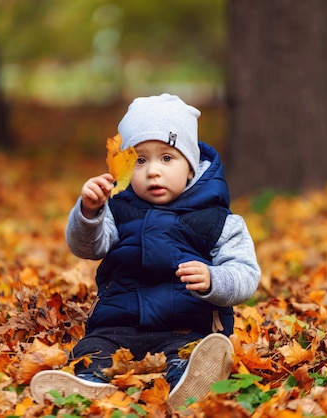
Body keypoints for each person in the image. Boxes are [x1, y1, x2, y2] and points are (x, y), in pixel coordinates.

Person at [30, 93, 260, 411]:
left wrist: (213, 279)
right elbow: (86, 247)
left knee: (189, 352)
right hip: (117, 327)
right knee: (93, 349)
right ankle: (89, 385)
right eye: (140, 160)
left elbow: (246, 273)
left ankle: (189, 384)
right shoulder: (117, 209)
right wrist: (89, 212)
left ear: (191, 167)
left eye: (167, 158)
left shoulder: (217, 219)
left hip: (183, 326)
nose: (153, 171)